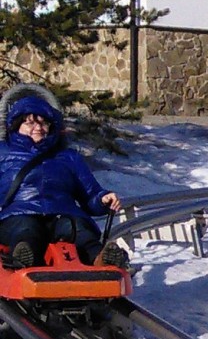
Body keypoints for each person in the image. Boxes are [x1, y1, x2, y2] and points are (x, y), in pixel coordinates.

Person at [0, 84, 125, 269]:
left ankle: (102, 259)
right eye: (30, 122)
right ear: (17, 125)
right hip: (19, 213)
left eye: (43, 123)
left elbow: (90, 194)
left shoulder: (68, 157)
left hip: (62, 213)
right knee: (26, 230)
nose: (38, 128)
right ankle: (24, 260)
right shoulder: (3, 153)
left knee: (77, 230)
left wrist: (102, 199)